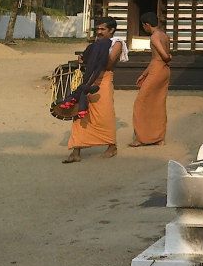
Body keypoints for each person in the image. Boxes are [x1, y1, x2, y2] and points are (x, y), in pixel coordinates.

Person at [63, 18, 122, 163]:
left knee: (105, 114)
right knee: (80, 113)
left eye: (103, 29)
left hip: (104, 80)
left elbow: (108, 64)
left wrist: (99, 51)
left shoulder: (117, 44)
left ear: (111, 30)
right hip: (88, 79)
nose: (99, 32)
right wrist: (85, 58)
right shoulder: (95, 45)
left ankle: (111, 146)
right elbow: (85, 60)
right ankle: (76, 151)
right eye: (98, 29)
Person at [129, 11, 171, 147]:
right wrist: (144, 74)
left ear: (147, 25)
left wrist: (168, 58)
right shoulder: (164, 35)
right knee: (158, 102)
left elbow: (164, 56)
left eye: (143, 26)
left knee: (140, 103)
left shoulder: (154, 37)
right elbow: (158, 59)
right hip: (163, 70)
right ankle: (159, 138)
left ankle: (142, 138)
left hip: (157, 70)